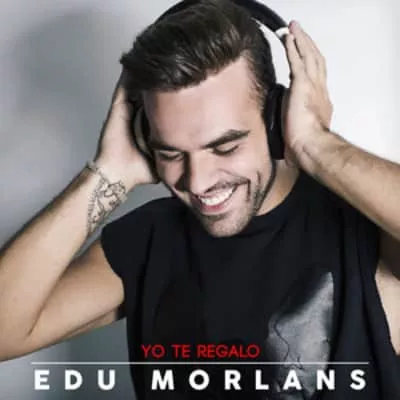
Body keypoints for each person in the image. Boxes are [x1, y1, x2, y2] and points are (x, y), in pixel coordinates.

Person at [0, 0, 399, 398]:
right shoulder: (146, 241)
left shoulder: (363, 229)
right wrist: (108, 172)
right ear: (144, 139)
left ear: (275, 120)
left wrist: (315, 144)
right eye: (171, 153)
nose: (198, 181)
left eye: (225, 147)